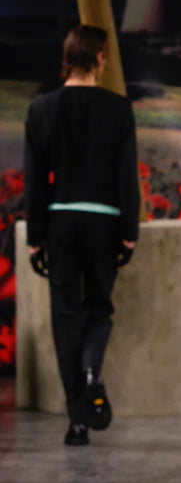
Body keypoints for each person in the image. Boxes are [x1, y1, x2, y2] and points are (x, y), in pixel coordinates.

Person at [24, 24, 139, 446]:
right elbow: (127, 176)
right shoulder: (118, 108)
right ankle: (92, 367)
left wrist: (35, 236)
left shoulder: (41, 109)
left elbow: (36, 180)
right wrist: (129, 231)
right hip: (105, 223)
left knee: (65, 316)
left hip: (60, 224)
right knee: (99, 308)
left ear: (67, 58)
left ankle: (76, 420)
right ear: (100, 58)